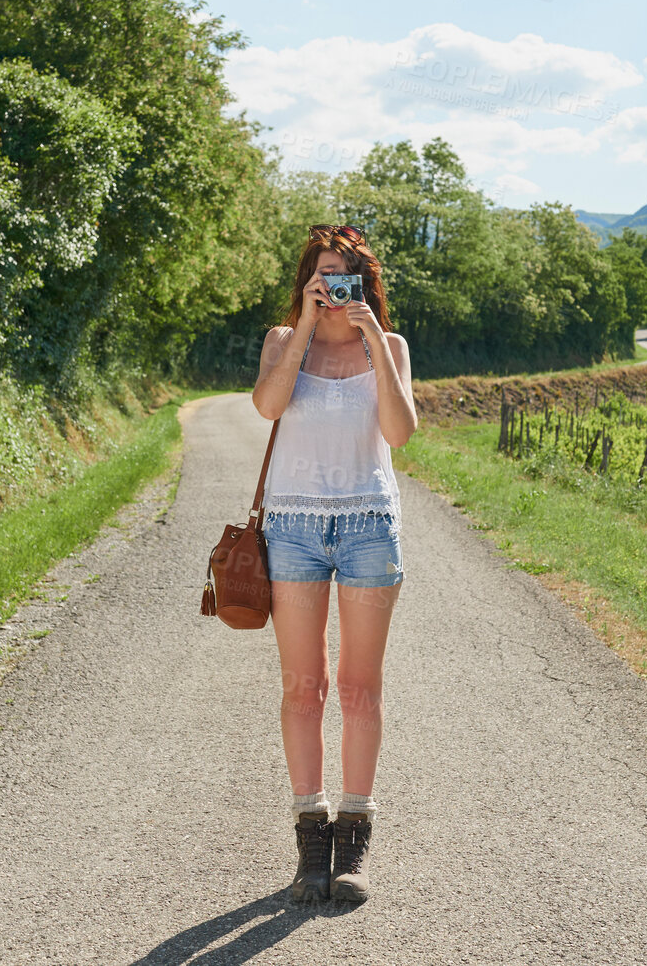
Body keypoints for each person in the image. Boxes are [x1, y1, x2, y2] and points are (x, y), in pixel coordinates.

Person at [250, 224, 418, 904]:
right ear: (306, 282)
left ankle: (354, 837)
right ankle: (309, 841)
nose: (334, 287)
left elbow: (400, 432)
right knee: (301, 688)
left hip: (367, 526)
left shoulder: (392, 345)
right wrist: (303, 327)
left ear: (365, 283)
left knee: (358, 689)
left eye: (345, 276)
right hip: (291, 525)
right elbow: (266, 405)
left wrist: (373, 337)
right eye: (323, 277)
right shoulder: (281, 340)